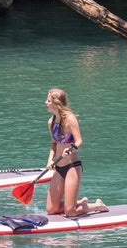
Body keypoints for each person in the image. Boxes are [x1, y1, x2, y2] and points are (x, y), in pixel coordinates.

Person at [45, 88, 109, 217]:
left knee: (70, 212)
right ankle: (77, 202)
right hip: (59, 168)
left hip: (72, 167)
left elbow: (79, 141)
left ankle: (97, 205)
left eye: (49, 100)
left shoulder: (70, 119)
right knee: (51, 210)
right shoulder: (51, 122)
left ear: (57, 103)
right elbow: (54, 144)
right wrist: (50, 160)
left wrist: (72, 148)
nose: (46, 103)